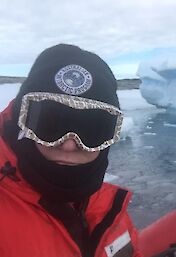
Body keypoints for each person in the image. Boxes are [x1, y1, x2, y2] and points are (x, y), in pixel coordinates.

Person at [0, 44, 142, 257]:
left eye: (91, 129)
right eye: (50, 123)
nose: (69, 145)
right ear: (23, 123)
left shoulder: (109, 209)